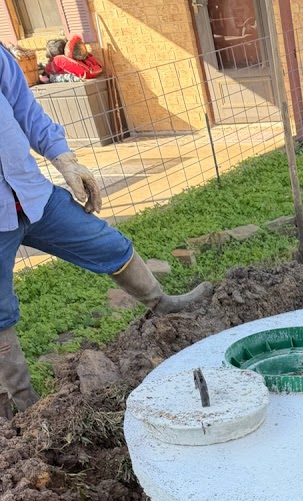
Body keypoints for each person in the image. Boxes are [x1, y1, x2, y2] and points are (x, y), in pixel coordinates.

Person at [0, 43, 211, 419]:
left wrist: (64, 158)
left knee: (107, 244)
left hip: (31, 194)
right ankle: (24, 404)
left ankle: (161, 304)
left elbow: (25, 110)